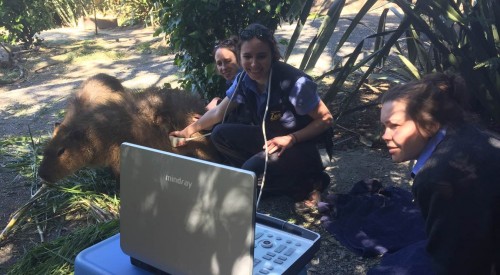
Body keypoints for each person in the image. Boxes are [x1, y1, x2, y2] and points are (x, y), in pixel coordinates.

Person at [170, 23, 333, 208]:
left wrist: (291, 138)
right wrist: (187, 131)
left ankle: (310, 180)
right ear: (240, 57)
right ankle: (276, 181)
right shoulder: (244, 80)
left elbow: (326, 119)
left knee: (249, 170)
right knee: (219, 134)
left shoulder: (294, 82)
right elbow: (218, 112)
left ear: (273, 55)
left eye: (261, 56)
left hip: (307, 145)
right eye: (247, 57)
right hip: (273, 139)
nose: (254, 64)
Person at [379, 72, 500, 274]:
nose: (384, 136)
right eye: (384, 126)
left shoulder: (437, 178)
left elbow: (453, 260)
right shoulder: (465, 130)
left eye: (395, 126)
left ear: (429, 122)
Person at [205, 36, 241, 111]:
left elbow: (218, 113)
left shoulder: (241, 79)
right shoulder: (231, 80)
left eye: (228, 61)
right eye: (219, 63)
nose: (224, 67)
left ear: (239, 59)